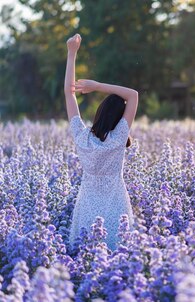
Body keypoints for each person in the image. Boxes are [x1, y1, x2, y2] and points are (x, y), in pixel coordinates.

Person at [64, 33, 138, 249]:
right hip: (116, 205)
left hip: (86, 205)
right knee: (119, 254)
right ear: (119, 117)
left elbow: (69, 95)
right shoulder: (118, 138)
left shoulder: (82, 137)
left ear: (100, 112)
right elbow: (133, 95)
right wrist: (97, 86)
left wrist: (71, 54)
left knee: (84, 254)